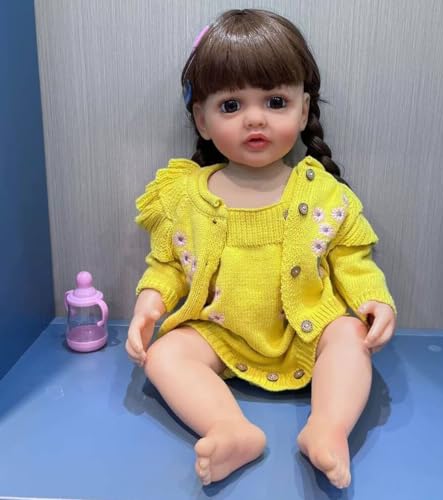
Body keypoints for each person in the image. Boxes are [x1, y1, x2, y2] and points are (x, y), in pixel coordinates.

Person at [126, 8, 396, 490]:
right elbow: (166, 263)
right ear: (202, 119)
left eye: (275, 101)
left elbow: (352, 260)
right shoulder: (186, 197)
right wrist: (150, 303)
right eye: (231, 105)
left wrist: (373, 300)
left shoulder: (323, 194)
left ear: (303, 109)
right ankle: (228, 429)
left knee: (350, 337)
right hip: (220, 333)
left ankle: (328, 427)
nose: (255, 119)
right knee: (165, 356)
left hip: (308, 330)